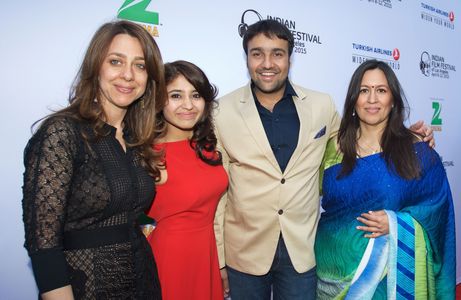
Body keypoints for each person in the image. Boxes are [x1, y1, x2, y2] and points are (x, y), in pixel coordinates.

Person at [213, 19, 435, 299]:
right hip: (243, 253)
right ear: (247, 58)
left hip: (302, 252)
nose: (267, 63)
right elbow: (217, 192)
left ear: (289, 59)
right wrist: (219, 258)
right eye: (257, 53)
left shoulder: (320, 105)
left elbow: (360, 137)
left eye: (277, 54)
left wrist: (407, 135)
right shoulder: (221, 111)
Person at [22, 20, 165, 299]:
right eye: (115, 61)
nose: (128, 75)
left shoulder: (138, 139)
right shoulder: (63, 132)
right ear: (95, 66)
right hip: (86, 288)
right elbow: (43, 245)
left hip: (143, 282)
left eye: (140, 65)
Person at [315, 59, 455, 299]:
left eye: (381, 90)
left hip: (385, 278)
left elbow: (439, 213)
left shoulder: (418, 153)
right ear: (353, 100)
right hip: (327, 272)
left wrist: (396, 223)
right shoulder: (330, 148)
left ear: (393, 101)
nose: (372, 99)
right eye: (364, 91)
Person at [146, 60, 228, 300]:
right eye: (176, 96)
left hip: (207, 253)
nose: (188, 105)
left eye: (195, 95)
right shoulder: (150, 154)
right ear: (160, 101)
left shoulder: (208, 146)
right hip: (171, 258)